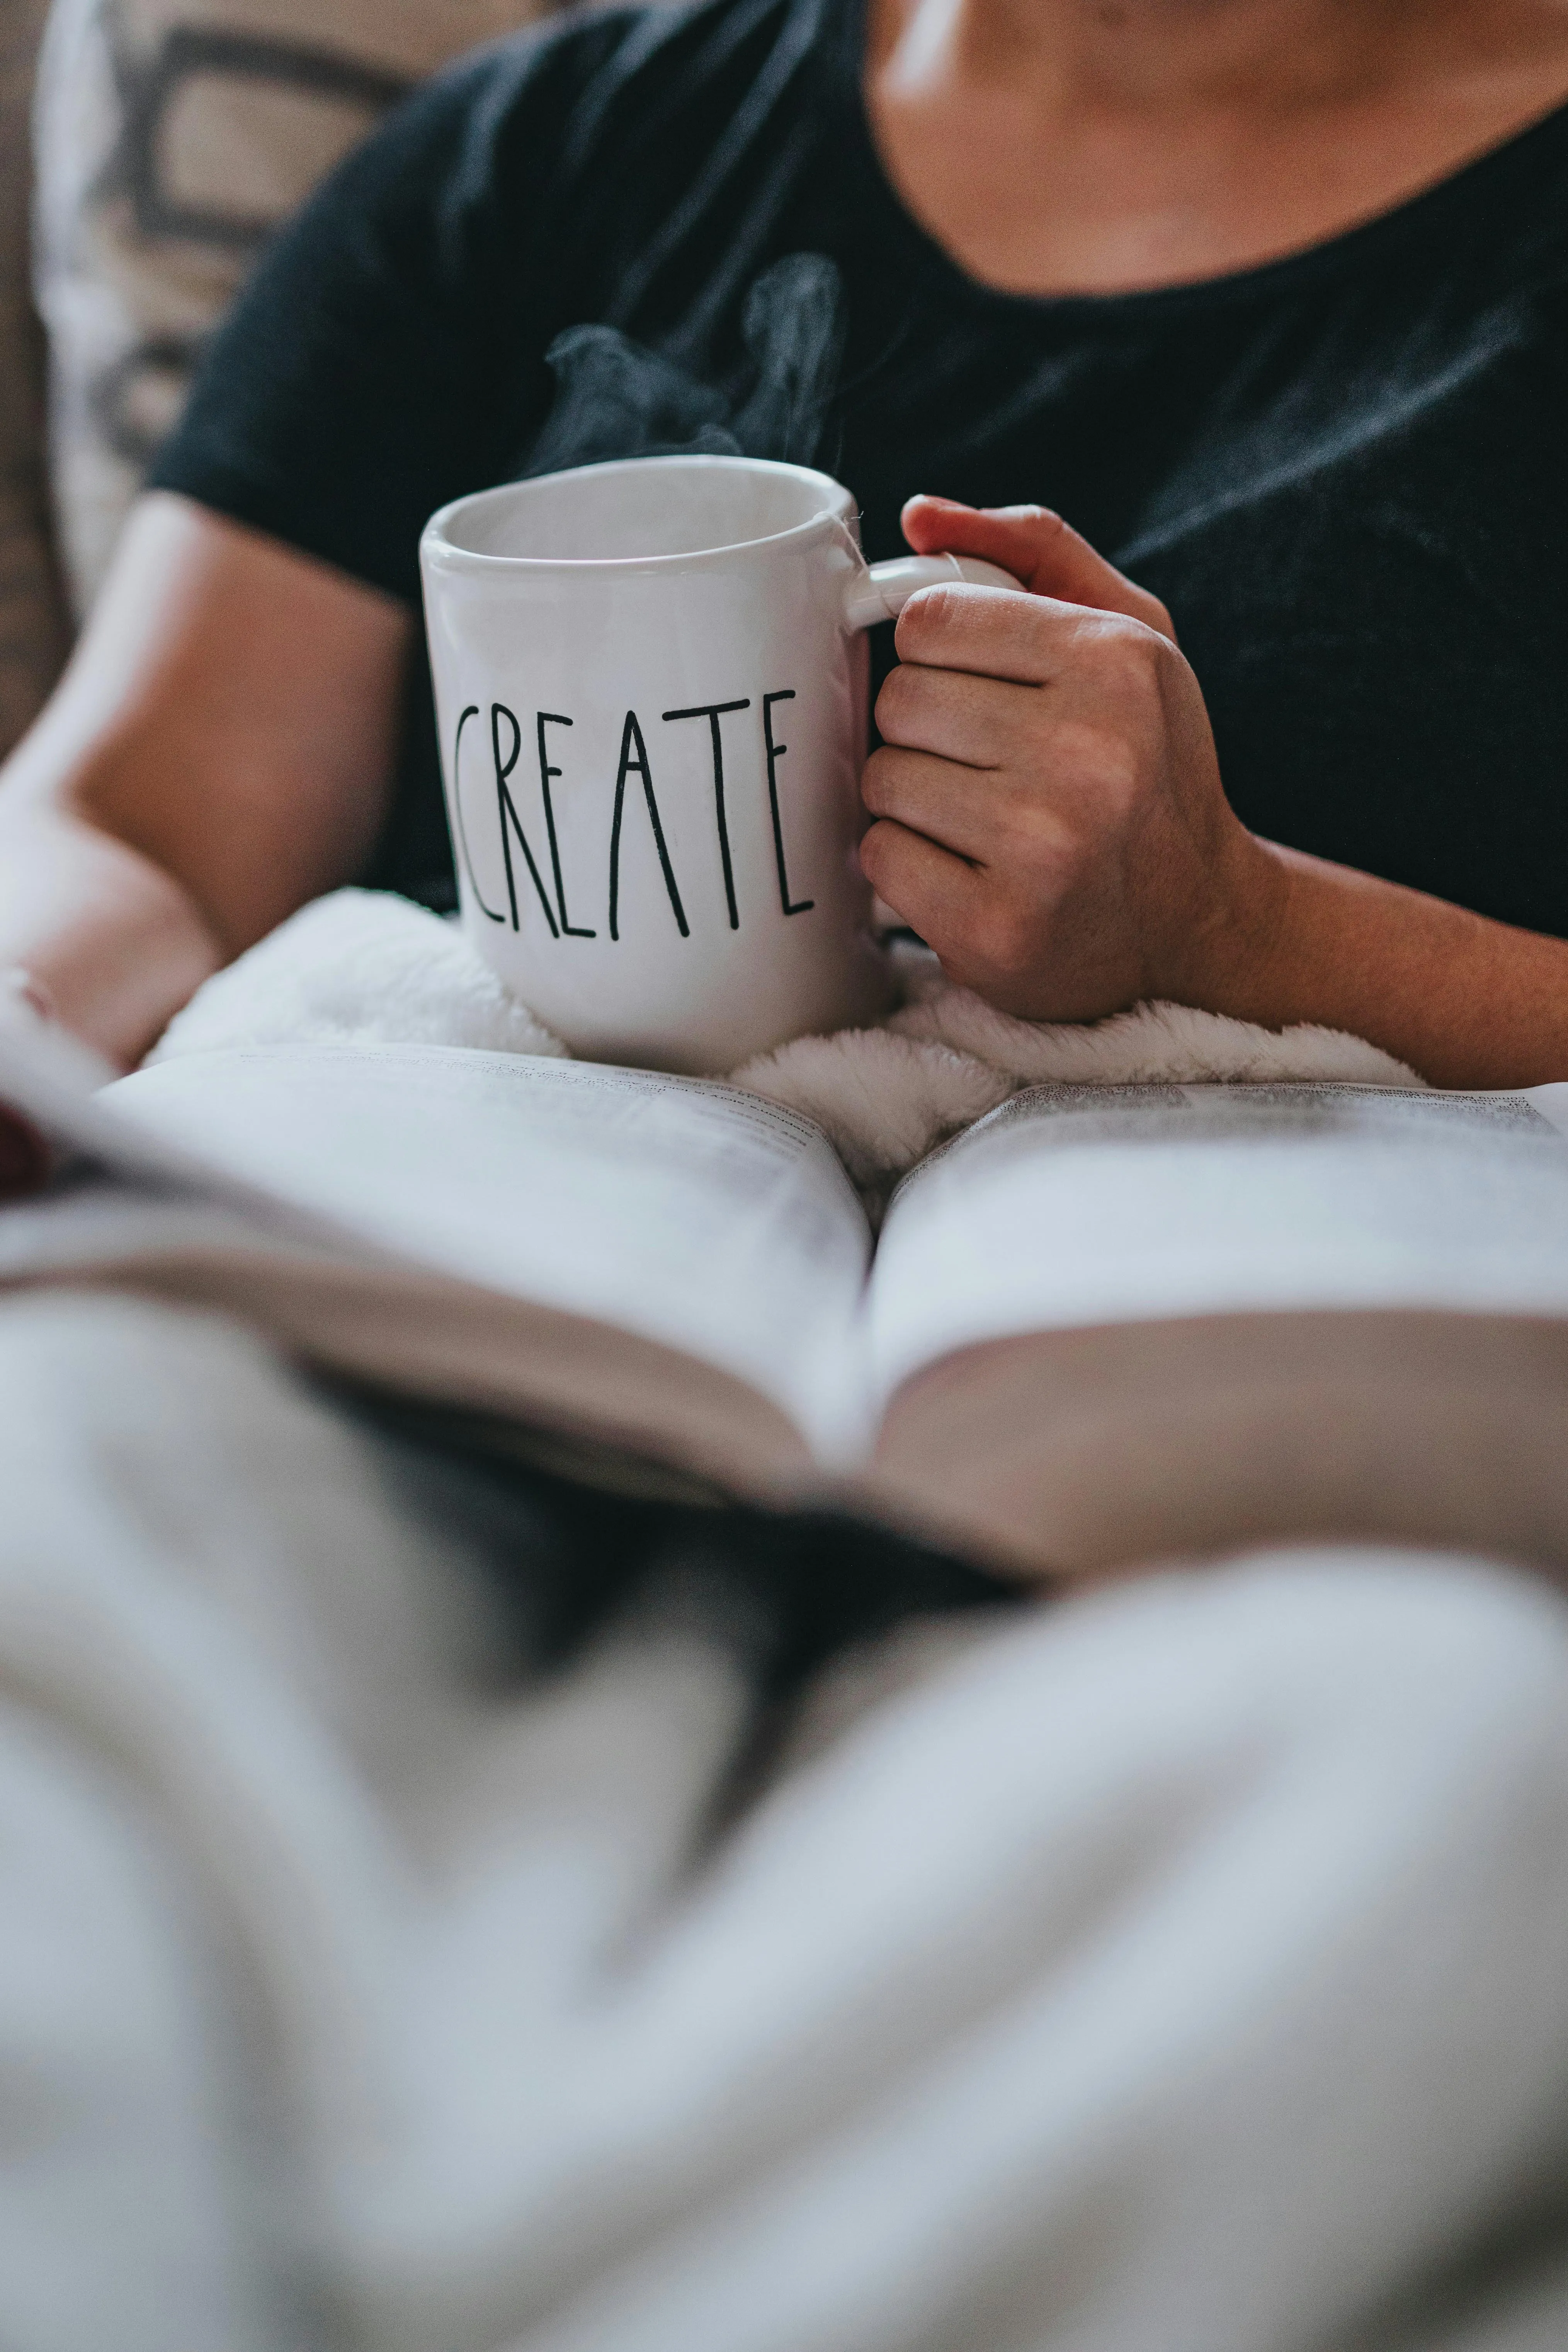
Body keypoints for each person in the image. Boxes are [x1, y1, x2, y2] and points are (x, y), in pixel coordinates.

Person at [7, 3, 1568, 2344]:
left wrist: (1250, 927)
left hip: (1241, 1449)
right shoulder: (549, 155)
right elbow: (136, 826)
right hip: (441, 1339)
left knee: (1448, 1779)